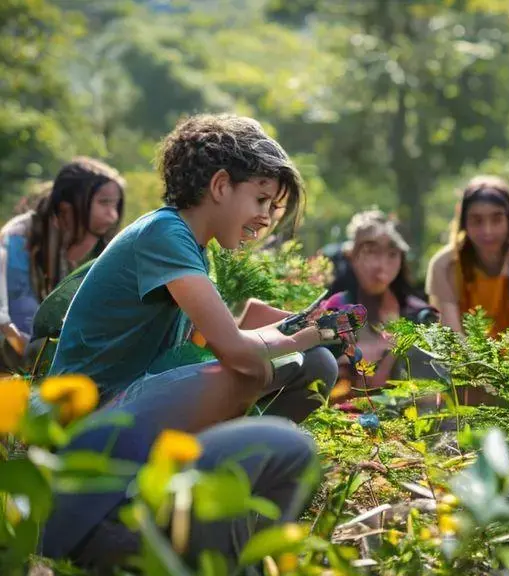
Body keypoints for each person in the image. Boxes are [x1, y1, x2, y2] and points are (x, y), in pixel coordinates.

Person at [40, 114, 344, 573]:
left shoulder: (192, 245)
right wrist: (303, 334)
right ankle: (187, 494)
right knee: (258, 369)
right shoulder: (165, 234)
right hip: (92, 422)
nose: (265, 217)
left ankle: (228, 493)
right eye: (261, 199)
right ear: (221, 185)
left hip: (137, 401)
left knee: (318, 365)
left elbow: (211, 339)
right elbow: (235, 352)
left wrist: (296, 332)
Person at [0, 159, 125, 371]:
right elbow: (23, 321)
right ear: (66, 208)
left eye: (115, 205)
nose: (112, 216)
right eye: (104, 203)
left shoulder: (100, 246)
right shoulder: (20, 239)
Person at [426, 175, 509, 344]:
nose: (487, 231)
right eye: (477, 220)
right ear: (464, 223)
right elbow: (453, 341)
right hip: (469, 366)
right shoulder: (445, 266)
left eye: (497, 219)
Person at [325, 208, 438, 400]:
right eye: (370, 252)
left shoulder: (421, 316)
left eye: (391, 254)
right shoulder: (334, 310)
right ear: (351, 255)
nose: (380, 265)